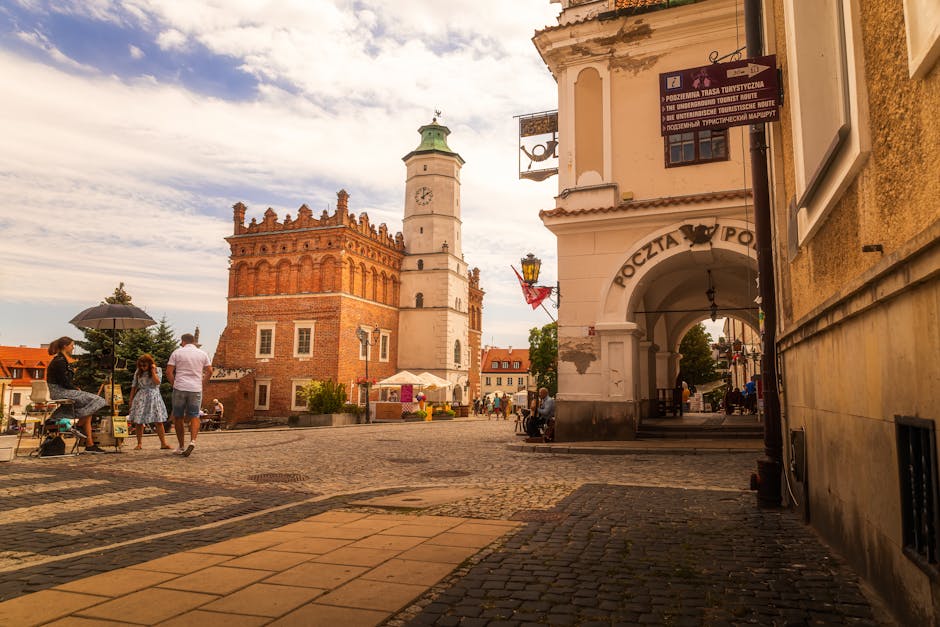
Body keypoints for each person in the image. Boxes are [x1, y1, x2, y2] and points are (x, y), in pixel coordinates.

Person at [46, 336, 107, 454]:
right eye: (72, 345)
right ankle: (78, 426)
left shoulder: (61, 360)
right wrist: (75, 389)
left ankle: (89, 444)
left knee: (88, 410)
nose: (73, 347)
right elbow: (63, 381)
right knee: (99, 400)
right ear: (65, 346)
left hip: (63, 390)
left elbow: (64, 380)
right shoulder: (59, 361)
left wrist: (75, 389)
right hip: (60, 391)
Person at [166, 333, 212, 457]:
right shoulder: (202, 354)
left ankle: (181, 446)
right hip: (196, 388)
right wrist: (202, 383)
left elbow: (169, 372)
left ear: (183, 341)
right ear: (193, 342)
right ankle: (193, 441)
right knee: (194, 416)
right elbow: (210, 370)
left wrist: (174, 384)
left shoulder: (177, 352)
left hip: (180, 387)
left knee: (178, 417)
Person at [127, 354, 170, 450]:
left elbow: (157, 382)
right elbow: (134, 386)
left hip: (154, 396)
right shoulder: (138, 372)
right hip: (141, 397)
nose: (142, 367)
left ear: (150, 364)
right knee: (139, 421)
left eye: (144, 365)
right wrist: (131, 400)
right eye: (141, 365)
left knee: (158, 421)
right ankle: (139, 443)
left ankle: (163, 443)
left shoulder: (157, 370)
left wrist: (152, 371)